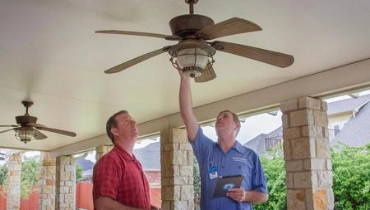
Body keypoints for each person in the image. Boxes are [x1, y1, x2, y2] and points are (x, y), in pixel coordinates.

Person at [178, 71, 269, 210]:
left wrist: (245, 195)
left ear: (236, 125)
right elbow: (187, 114)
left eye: (225, 116)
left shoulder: (250, 156)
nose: (219, 118)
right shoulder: (206, 150)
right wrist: (184, 78)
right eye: (218, 118)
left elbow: (263, 195)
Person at [92, 110, 160, 210]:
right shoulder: (110, 161)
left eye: (133, 120)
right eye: (127, 121)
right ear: (115, 131)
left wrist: (151, 208)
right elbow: (103, 206)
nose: (134, 123)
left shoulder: (135, 163)